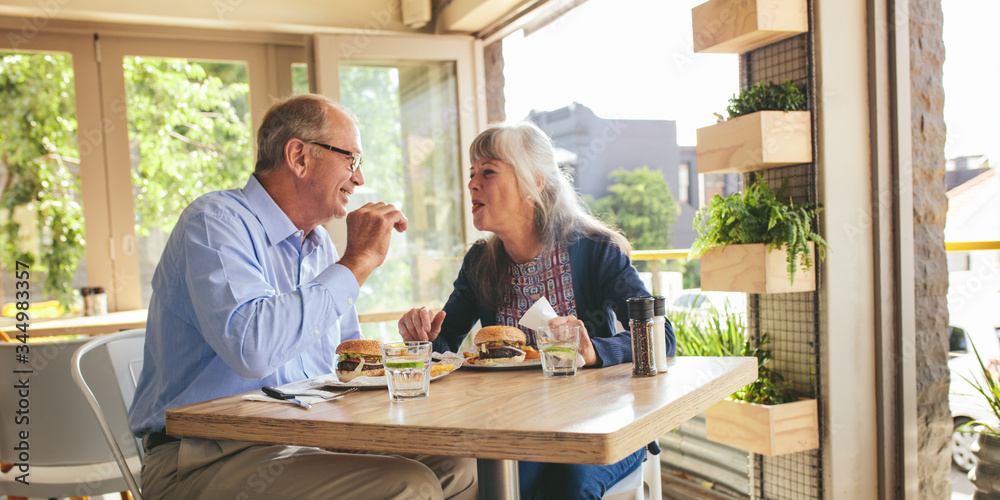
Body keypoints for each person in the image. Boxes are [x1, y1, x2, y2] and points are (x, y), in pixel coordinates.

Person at [128, 94, 476, 500]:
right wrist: (357, 262)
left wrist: (413, 352)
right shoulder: (214, 222)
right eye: (352, 161)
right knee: (408, 486)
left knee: (458, 465)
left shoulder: (320, 247)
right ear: (299, 156)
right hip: (205, 457)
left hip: (304, 439)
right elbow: (253, 349)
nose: (359, 180)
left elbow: (348, 363)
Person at [398, 121, 675, 499]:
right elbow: (445, 343)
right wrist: (422, 340)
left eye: (489, 171)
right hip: (516, 427)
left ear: (535, 182)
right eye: (472, 173)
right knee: (504, 484)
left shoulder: (595, 250)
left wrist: (594, 351)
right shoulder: (480, 262)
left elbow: (663, 337)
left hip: (602, 425)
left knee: (567, 485)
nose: (472, 184)